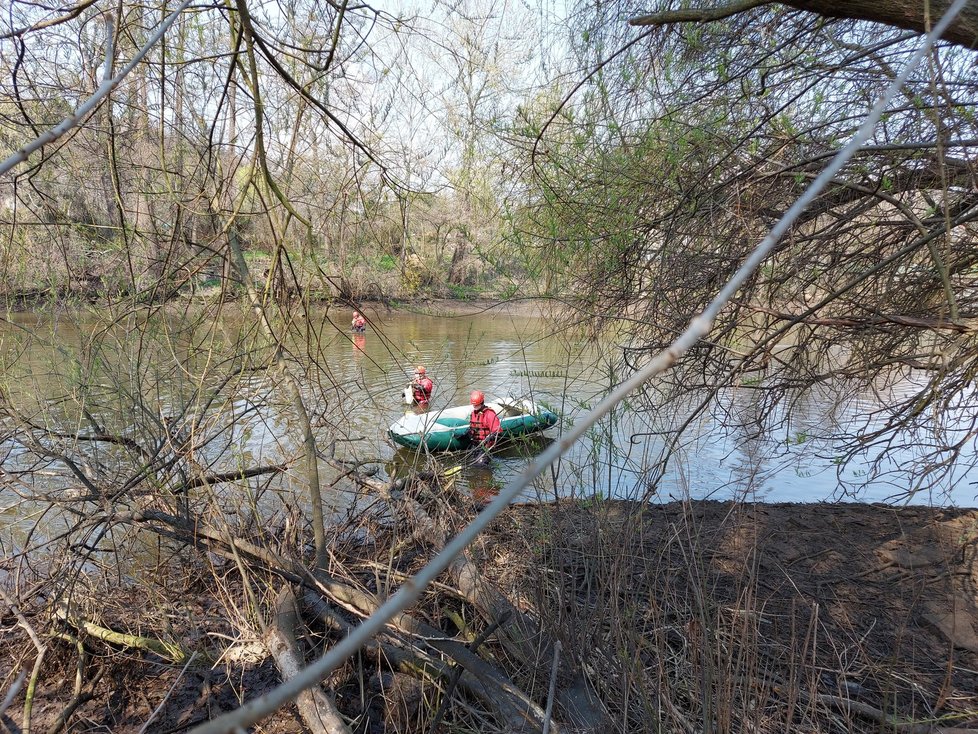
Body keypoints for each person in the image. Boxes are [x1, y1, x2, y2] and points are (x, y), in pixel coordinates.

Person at [468, 390, 501, 464]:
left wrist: (489, 438)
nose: (475, 407)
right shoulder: (473, 413)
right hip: (475, 445)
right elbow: (473, 427)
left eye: (476, 405)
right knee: (470, 463)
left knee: (481, 465)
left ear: (481, 403)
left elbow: (497, 432)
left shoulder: (489, 414)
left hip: (486, 446)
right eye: (474, 405)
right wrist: (467, 433)